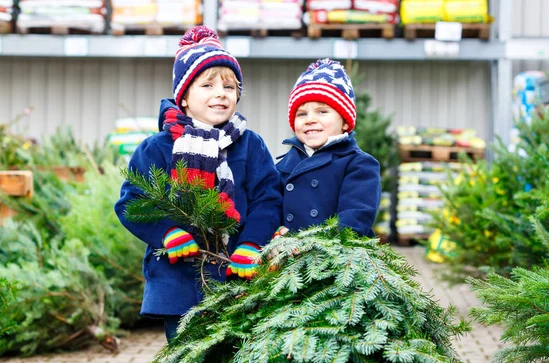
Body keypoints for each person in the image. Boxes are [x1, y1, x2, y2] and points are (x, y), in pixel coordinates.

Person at [114, 26, 282, 342]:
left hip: (237, 276)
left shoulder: (250, 145)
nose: (221, 92)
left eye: (230, 86)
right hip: (179, 279)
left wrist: (252, 244)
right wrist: (168, 233)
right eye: (207, 85)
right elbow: (133, 202)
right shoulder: (157, 148)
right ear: (185, 97)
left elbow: (268, 200)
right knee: (187, 361)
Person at [275, 58, 381, 237]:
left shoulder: (359, 164)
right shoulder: (284, 165)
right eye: (301, 114)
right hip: (286, 258)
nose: (309, 119)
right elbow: (270, 207)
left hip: (338, 258)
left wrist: (311, 243)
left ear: (345, 123)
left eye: (322, 111)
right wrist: (276, 234)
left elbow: (356, 217)